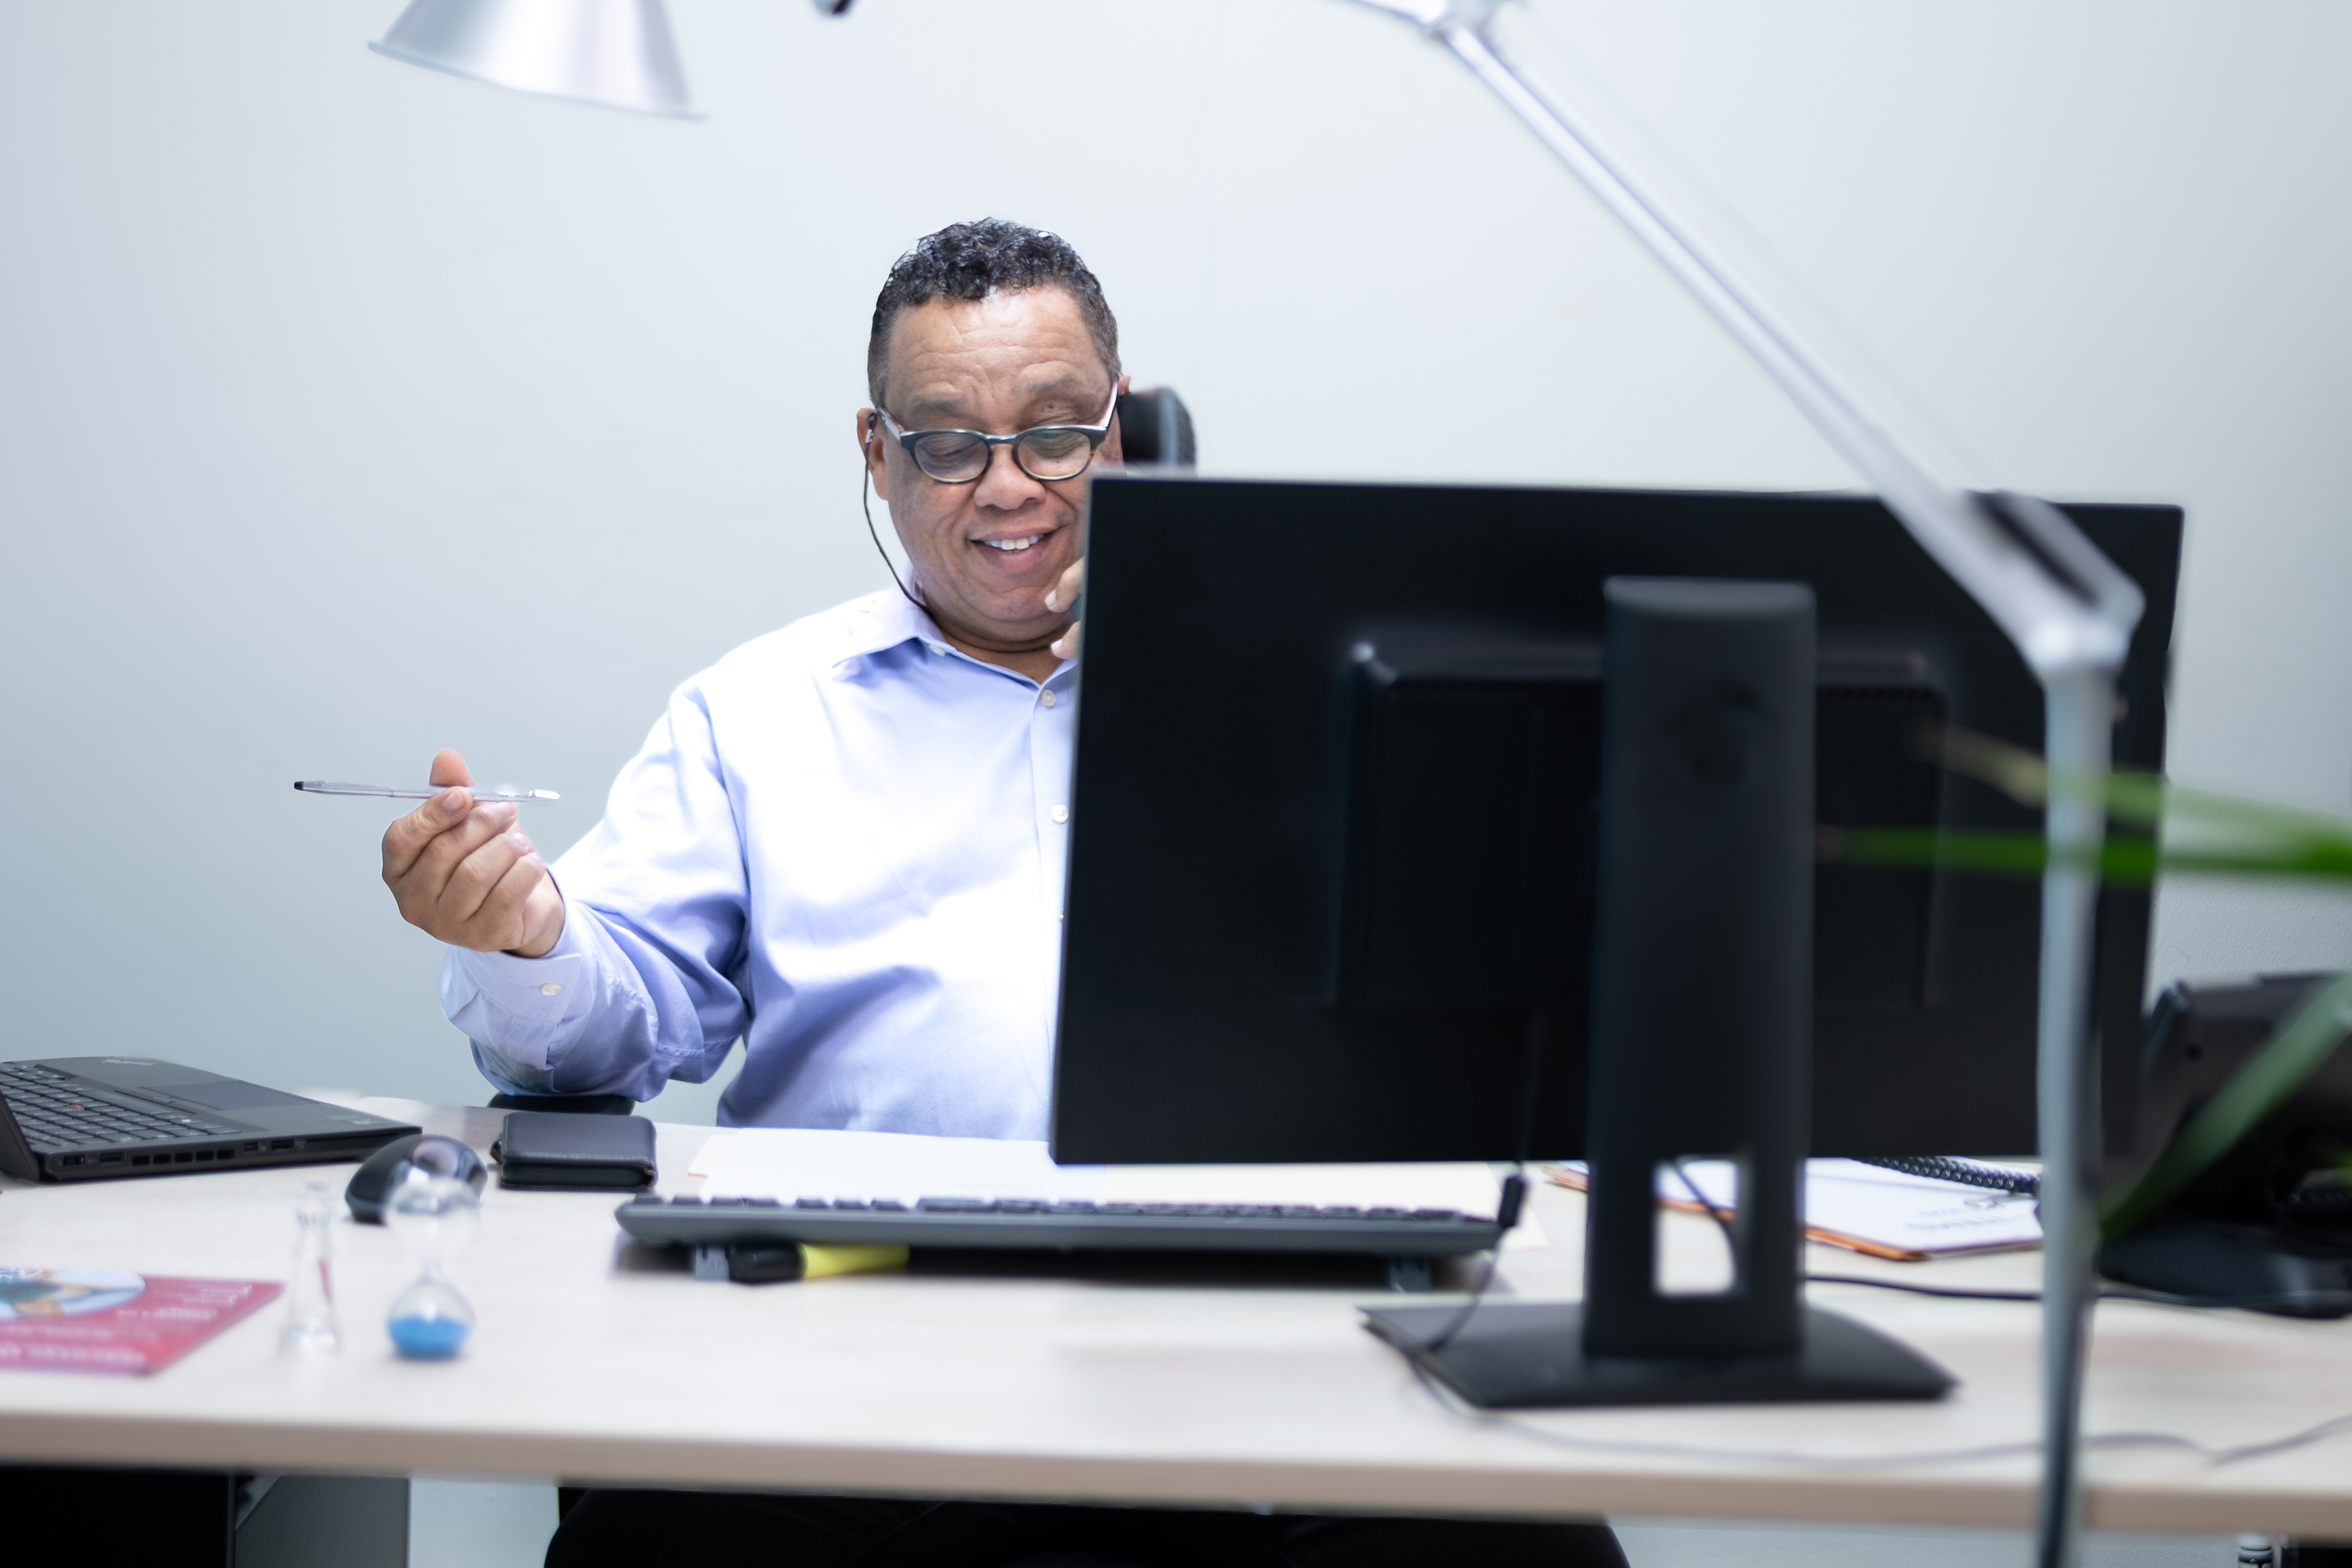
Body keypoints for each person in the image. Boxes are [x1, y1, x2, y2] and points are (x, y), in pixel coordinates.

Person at [379, 219, 1626, 1567]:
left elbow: (1495, 1002)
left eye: (1054, 433)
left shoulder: (1330, 681)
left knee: (1529, 1552)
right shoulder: (757, 711)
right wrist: (522, 934)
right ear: (876, 453)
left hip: (1274, 1342)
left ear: (1125, 432)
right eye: (946, 442)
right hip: (849, 1356)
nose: (1010, 486)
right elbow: (609, 1042)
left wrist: (1221, 669)